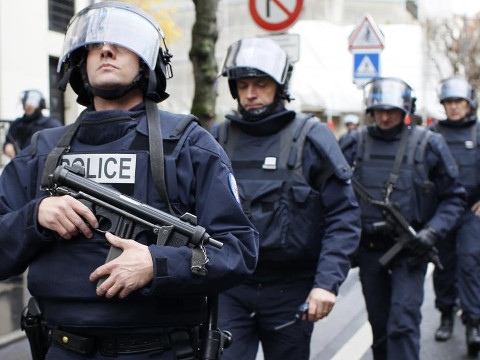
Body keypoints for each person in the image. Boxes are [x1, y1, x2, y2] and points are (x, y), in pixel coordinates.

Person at [0, 2, 258, 359]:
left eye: (122, 42)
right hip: (61, 348)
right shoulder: (40, 153)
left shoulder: (189, 144)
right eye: (94, 45)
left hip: (162, 350)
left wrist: (157, 265)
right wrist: (35, 217)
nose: (106, 50)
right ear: (79, 62)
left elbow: (238, 251)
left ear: (147, 62)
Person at [210, 37, 361, 360]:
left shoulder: (311, 137)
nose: (251, 94)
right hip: (230, 287)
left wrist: (326, 284)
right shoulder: (216, 139)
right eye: (243, 84)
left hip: (291, 289)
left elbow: (343, 216)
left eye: (261, 84)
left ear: (279, 87)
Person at [340, 77, 466, 360]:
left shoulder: (429, 144)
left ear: (406, 108)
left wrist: (432, 232)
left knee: (403, 325)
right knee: (380, 328)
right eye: (379, 110)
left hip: (410, 252)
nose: (385, 117)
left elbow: (454, 197)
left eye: (392, 111)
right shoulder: (353, 144)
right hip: (370, 252)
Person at [429, 76, 480, 355]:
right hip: (442, 210)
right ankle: (446, 313)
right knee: (444, 263)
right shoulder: (433, 134)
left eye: (459, 101)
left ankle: (473, 321)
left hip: (471, 211)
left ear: (469, 103)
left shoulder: (477, 132)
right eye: (449, 102)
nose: (454, 107)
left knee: (471, 260)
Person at [3, 90, 62, 158]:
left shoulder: (51, 124)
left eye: (31, 104)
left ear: (40, 105)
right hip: (19, 162)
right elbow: (8, 141)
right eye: (25, 103)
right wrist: (7, 146)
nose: (27, 106)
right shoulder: (16, 124)